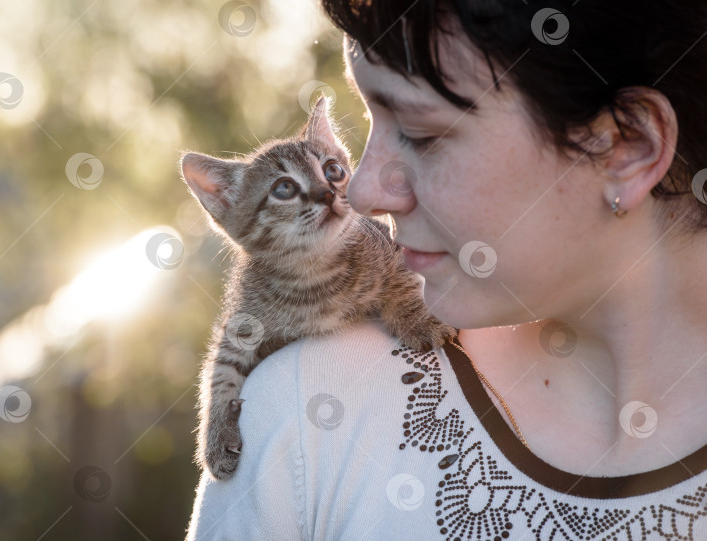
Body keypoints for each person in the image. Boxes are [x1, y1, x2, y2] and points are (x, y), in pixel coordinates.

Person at [185, 1, 707, 539]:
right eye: (370, 123)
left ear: (628, 149)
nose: (360, 194)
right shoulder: (297, 411)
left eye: (420, 131)